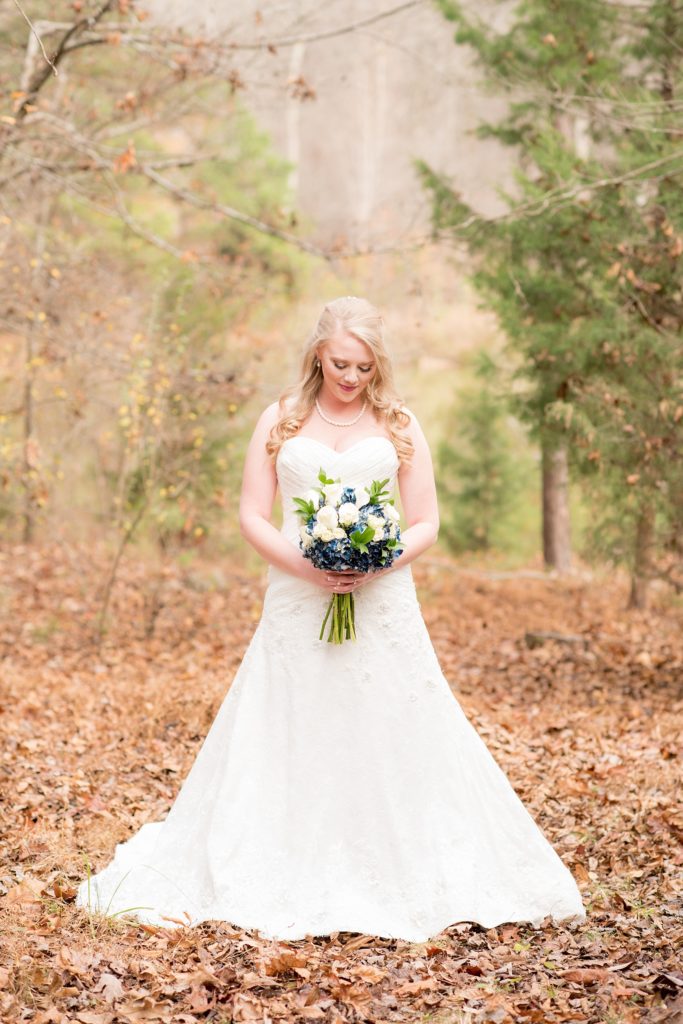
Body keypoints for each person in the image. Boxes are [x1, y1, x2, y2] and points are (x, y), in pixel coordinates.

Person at [76, 296, 586, 941]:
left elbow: (426, 519)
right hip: (296, 592)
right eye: (342, 363)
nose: (351, 378)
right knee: (294, 714)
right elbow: (252, 515)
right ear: (319, 352)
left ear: (379, 367)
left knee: (390, 714)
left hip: (383, 596)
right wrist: (308, 568)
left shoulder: (398, 423)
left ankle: (402, 860)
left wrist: (377, 561)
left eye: (365, 368)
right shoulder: (281, 419)